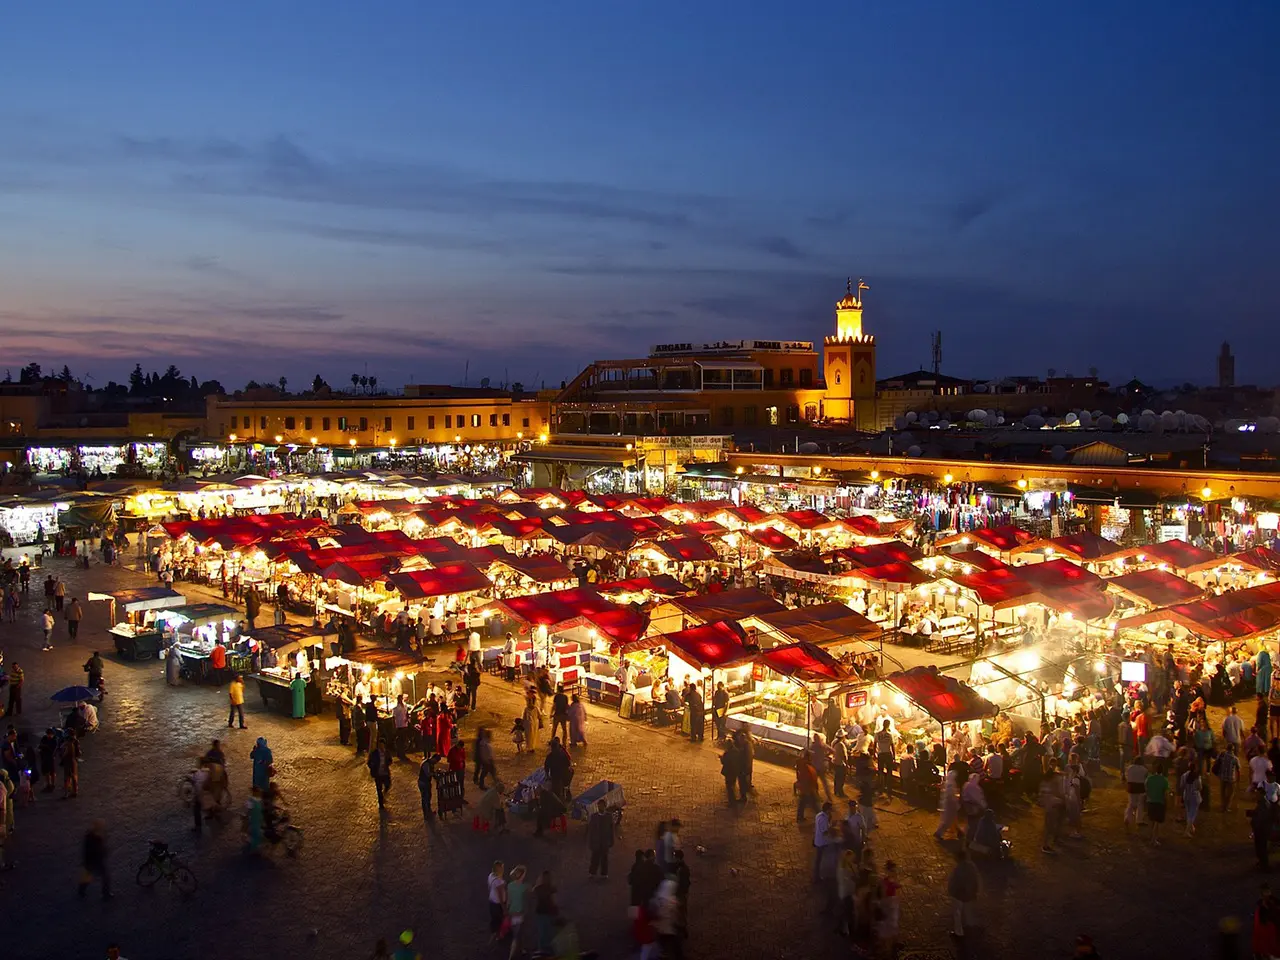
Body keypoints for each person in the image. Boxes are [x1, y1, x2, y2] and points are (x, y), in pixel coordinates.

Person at [947, 848, 980, 941]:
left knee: (957, 914)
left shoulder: (958, 869)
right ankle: (971, 927)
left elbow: (955, 883)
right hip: (970, 894)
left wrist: (951, 891)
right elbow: (976, 879)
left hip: (959, 895)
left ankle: (959, 933)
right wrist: (975, 891)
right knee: (969, 912)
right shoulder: (972, 866)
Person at [79, 820, 112, 899]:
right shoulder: (94, 838)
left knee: (90, 876)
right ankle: (105, 894)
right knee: (104, 877)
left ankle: (82, 890)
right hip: (95, 861)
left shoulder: (92, 836)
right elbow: (95, 850)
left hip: (93, 861)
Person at [506, 865, 530, 960]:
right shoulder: (523, 887)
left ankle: (521, 949)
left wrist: (506, 912)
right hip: (519, 913)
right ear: (522, 875)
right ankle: (511, 956)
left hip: (512, 912)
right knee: (517, 936)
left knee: (518, 932)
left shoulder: (510, 885)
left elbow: (508, 901)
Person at [533, 870, 558, 955]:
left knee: (542, 933)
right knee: (550, 932)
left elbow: (534, 895)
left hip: (541, 912)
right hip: (551, 912)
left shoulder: (537, 888)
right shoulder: (552, 888)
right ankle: (551, 950)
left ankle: (541, 950)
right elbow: (554, 901)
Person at [1145, 761, 1171, 845]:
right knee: (1157, 821)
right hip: (1159, 802)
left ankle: (1151, 837)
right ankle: (1154, 839)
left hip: (1150, 801)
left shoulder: (1149, 778)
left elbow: (1146, 789)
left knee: (1151, 820)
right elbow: (1166, 794)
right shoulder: (1164, 780)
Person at [587, 800, 615, 879]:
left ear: (605, 806)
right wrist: (590, 842)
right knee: (594, 858)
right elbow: (591, 830)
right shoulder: (594, 817)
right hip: (596, 841)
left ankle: (604, 873)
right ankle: (592, 872)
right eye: (599, 806)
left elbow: (611, 830)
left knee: (604, 858)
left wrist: (611, 840)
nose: (600, 807)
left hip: (605, 842)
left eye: (602, 806)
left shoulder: (609, 816)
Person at [1216, 742, 1241, 813]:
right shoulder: (1235, 758)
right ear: (1233, 749)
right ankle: (1226, 807)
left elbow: (1217, 761)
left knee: (1222, 793)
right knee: (1230, 794)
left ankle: (1222, 806)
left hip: (1222, 777)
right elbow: (1238, 769)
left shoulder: (1222, 755)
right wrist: (1238, 779)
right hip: (1231, 778)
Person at [795, 753, 819, 823]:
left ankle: (800, 817)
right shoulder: (805, 767)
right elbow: (807, 778)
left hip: (806, 788)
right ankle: (821, 817)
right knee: (813, 803)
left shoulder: (803, 765)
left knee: (803, 803)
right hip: (807, 788)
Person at [487, 860, 508, 942]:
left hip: (491, 900)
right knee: (500, 919)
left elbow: (489, 887)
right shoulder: (498, 881)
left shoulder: (491, 876)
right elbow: (500, 895)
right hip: (498, 903)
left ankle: (494, 933)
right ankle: (499, 936)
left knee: (494, 918)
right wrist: (504, 908)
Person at [874, 720, 896, 797]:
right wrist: (894, 756)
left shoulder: (877, 734)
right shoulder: (889, 735)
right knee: (889, 773)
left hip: (880, 754)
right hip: (888, 754)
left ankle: (881, 789)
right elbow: (892, 746)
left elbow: (874, 745)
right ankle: (889, 790)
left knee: (880, 772)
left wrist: (874, 754)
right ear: (888, 725)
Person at [368, 738, 392, 809]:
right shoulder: (374, 753)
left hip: (385, 773)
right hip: (378, 774)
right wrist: (372, 767)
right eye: (380, 745)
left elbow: (390, 760)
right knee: (379, 789)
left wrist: (388, 763)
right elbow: (369, 762)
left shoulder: (387, 752)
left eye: (382, 745)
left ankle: (384, 795)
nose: (381, 746)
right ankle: (381, 804)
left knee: (388, 785)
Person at [1181, 764, 1202, 837]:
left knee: (1188, 812)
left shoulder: (1184, 775)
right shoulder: (1197, 777)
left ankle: (1191, 827)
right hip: (1194, 797)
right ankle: (1186, 831)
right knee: (1192, 814)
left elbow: (1182, 786)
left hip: (1186, 795)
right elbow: (1200, 788)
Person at [417, 752, 438, 823]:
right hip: (423, 783)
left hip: (426, 783)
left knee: (428, 797)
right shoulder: (426, 763)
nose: (436, 763)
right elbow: (428, 774)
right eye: (436, 761)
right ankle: (426, 814)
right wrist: (434, 774)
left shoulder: (430, 763)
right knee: (425, 798)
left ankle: (429, 812)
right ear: (433, 758)